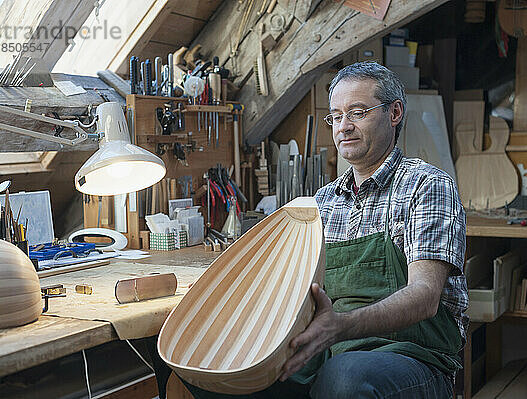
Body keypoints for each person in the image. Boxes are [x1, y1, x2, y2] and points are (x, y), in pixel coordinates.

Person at [181, 61, 468, 399]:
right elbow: (294, 292)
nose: (343, 127)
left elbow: (424, 298)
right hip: (331, 350)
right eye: (336, 116)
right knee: (212, 370)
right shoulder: (323, 202)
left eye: (358, 113)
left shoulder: (426, 185)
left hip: (412, 356)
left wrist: (341, 327)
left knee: (345, 379)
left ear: (394, 113)